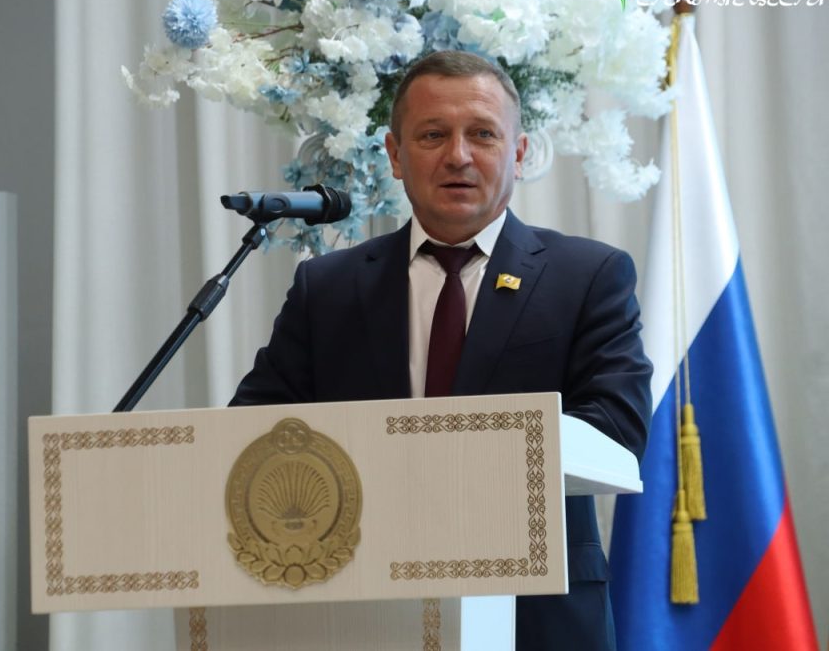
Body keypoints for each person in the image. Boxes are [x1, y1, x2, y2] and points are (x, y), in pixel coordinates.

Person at [230, 50, 652, 650]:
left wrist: (456, 453)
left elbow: (618, 427)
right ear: (395, 155)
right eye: (433, 135)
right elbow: (251, 433)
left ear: (519, 153)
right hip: (362, 610)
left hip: (534, 615)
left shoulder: (587, 276)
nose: (458, 156)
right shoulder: (327, 288)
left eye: (483, 134)